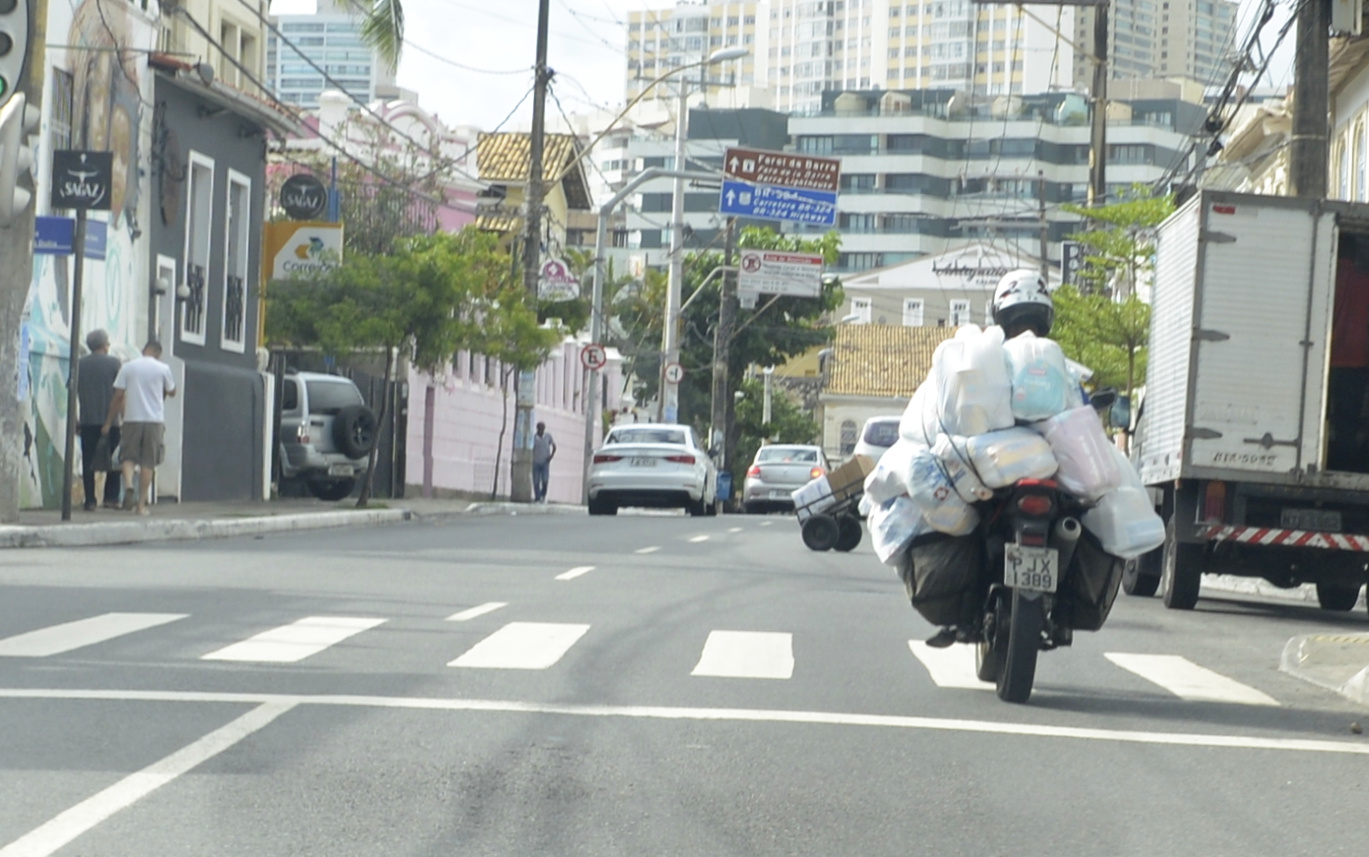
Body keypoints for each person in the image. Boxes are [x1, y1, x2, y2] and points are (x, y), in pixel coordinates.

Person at [102, 340, 176, 515]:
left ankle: (128, 485)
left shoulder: (128, 367)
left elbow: (118, 395)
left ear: (144, 350)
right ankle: (141, 505)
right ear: (158, 353)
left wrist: (108, 421)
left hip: (131, 419)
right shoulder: (163, 368)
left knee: (127, 457)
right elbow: (172, 391)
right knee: (148, 462)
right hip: (154, 420)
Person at [1329, 235, 1369, 471]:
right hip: (1356, 361)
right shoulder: (1365, 284)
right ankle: (1341, 465)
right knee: (1347, 421)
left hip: (1322, 362)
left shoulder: (1325, 279)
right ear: (1354, 255)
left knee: (1317, 416)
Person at [76, 329, 121, 511]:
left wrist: (75, 420)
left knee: (88, 462)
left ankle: (90, 500)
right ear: (105, 345)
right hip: (111, 421)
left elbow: (73, 390)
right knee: (114, 460)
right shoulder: (114, 364)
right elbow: (120, 393)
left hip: (87, 420)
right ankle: (111, 497)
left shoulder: (79, 364)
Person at [532, 421, 557, 503]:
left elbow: (554, 446)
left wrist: (551, 456)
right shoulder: (534, 438)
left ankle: (543, 495)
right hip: (536, 462)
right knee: (536, 480)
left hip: (545, 462)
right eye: (540, 429)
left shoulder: (548, 437)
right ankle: (537, 497)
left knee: (545, 480)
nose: (541, 430)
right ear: (537, 429)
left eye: (543, 429)